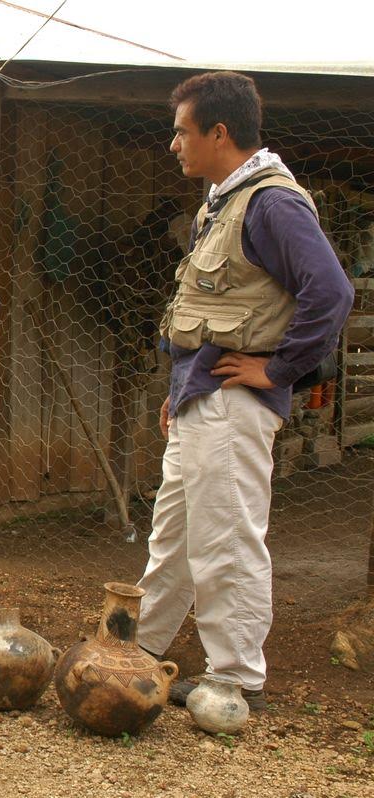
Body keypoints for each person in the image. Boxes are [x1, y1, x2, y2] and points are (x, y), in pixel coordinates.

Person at [138, 72, 354, 710]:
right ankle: (141, 654)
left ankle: (234, 681)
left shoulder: (271, 202)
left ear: (219, 132)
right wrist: (179, 388)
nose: (174, 144)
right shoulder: (223, 199)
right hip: (201, 396)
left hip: (235, 403)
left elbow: (331, 293)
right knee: (174, 535)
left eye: (182, 131)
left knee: (226, 539)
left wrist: (278, 369)